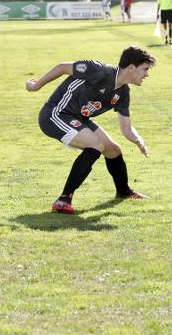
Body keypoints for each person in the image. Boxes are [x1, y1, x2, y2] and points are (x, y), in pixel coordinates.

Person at [25, 46, 156, 214]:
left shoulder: (123, 93)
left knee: (113, 150)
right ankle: (64, 199)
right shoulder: (99, 70)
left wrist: (139, 140)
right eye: (144, 69)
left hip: (78, 118)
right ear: (131, 67)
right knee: (95, 145)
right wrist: (36, 86)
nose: (147, 74)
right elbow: (63, 67)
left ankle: (123, 191)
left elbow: (126, 128)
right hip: (55, 114)